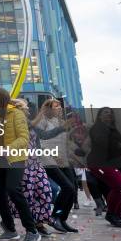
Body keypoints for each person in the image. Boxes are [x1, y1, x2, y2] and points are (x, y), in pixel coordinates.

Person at [0, 88, 41, 241]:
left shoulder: (16, 113)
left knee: (13, 189)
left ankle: (32, 231)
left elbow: (24, 138)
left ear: (2, 96)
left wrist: (8, 148)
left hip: (14, 158)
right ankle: (10, 229)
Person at [32, 99, 78, 233]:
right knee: (66, 187)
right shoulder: (42, 120)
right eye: (56, 106)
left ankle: (62, 219)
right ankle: (54, 217)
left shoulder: (62, 122)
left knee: (72, 189)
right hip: (49, 159)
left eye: (60, 106)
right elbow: (42, 139)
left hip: (64, 160)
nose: (59, 109)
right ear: (48, 108)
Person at [9, 99, 53, 237]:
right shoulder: (15, 122)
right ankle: (33, 224)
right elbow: (30, 124)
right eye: (25, 107)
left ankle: (40, 221)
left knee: (46, 192)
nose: (28, 110)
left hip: (36, 163)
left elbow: (44, 134)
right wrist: (42, 111)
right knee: (27, 196)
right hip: (23, 164)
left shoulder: (29, 124)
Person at [87, 107, 121, 227]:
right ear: (100, 116)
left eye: (111, 113)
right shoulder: (97, 128)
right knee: (120, 186)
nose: (109, 114)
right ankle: (111, 214)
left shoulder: (113, 129)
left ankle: (116, 215)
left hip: (116, 163)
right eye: (105, 112)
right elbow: (104, 143)